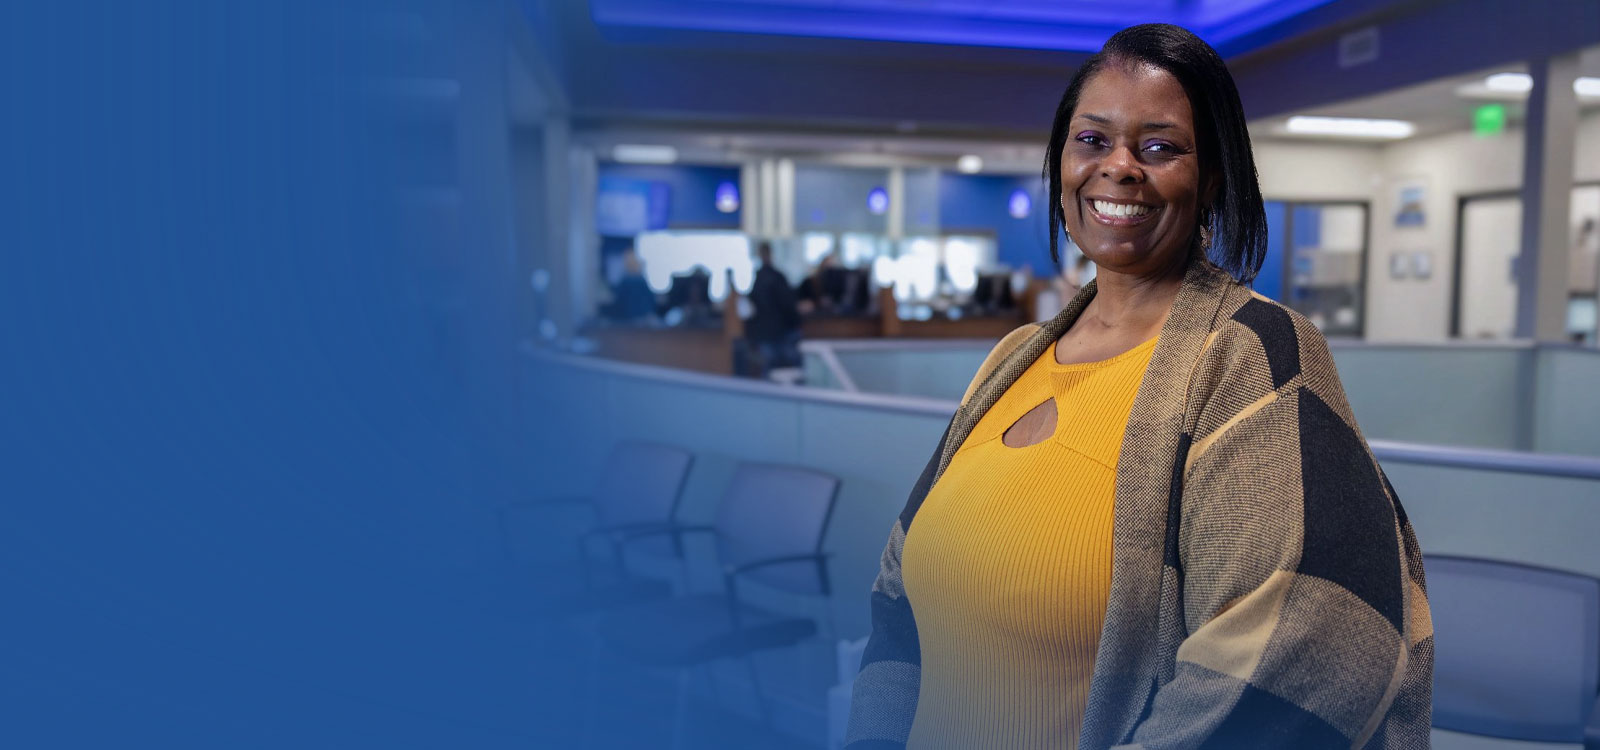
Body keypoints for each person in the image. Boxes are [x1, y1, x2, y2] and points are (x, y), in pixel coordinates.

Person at [846, 24, 1430, 750]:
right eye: (1092, 140)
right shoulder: (1016, 356)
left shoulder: (1252, 355)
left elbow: (1306, 647)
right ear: (1061, 160)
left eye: (1161, 147)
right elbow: (900, 597)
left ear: (1212, 176)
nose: (1120, 167)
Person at [744, 240, 802, 375]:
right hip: (779, 331)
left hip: (768, 332)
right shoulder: (776, 276)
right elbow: (788, 304)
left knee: (772, 371)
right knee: (785, 369)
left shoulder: (760, 278)